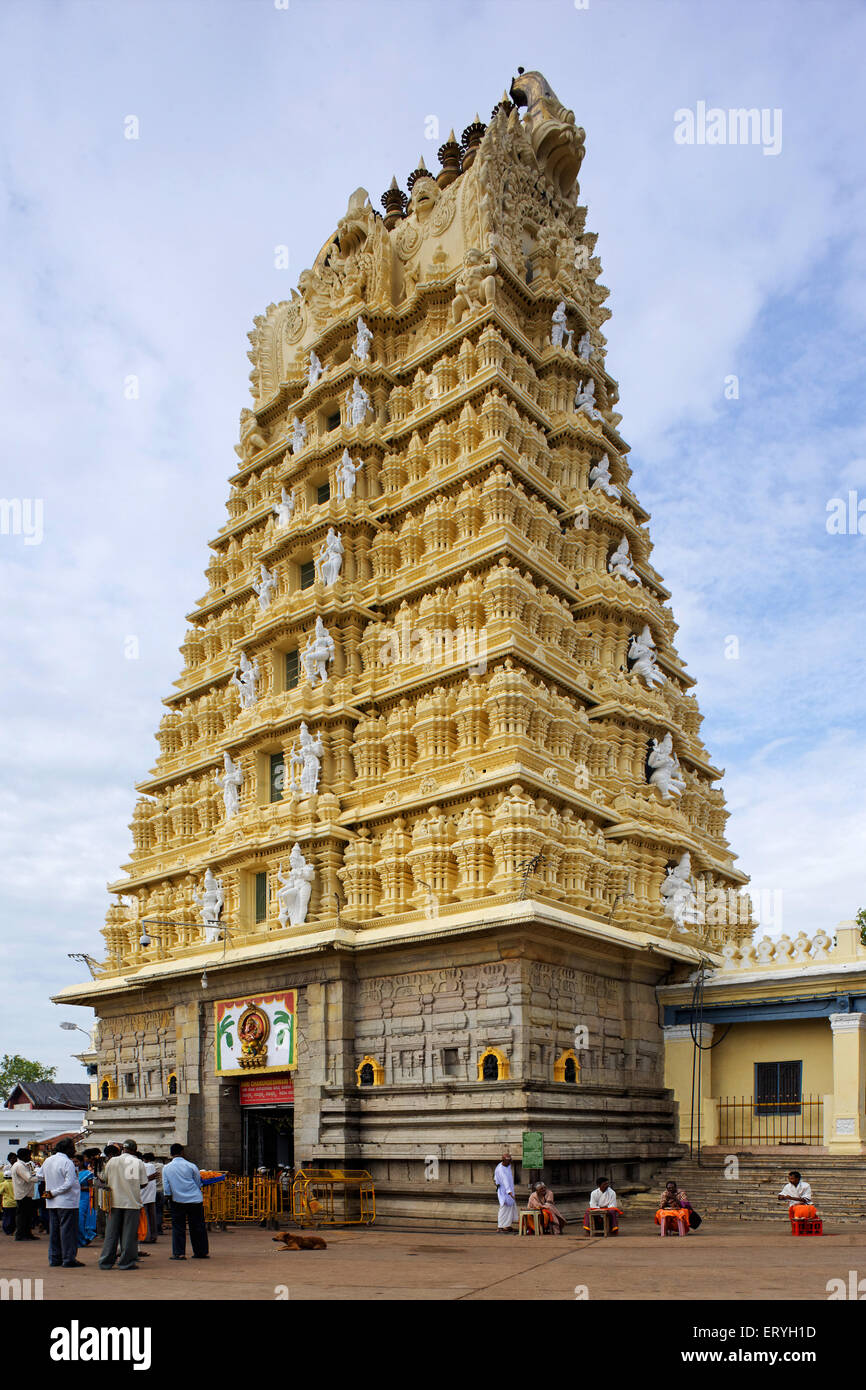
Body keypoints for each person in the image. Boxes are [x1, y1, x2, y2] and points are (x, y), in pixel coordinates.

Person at [97, 1142, 148, 1271]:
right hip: (131, 1203)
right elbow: (143, 1184)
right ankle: (126, 1262)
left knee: (111, 1234)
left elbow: (104, 1179)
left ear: (123, 1149)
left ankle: (106, 1262)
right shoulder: (138, 1163)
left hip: (114, 1202)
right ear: (135, 1150)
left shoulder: (112, 1161)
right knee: (129, 1235)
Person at [41, 1138, 84, 1268]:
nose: (74, 1151)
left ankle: (55, 1258)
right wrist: (54, 1191)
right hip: (67, 1201)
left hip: (53, 1202)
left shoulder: (48, 1160)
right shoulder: (67, 1162)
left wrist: (51, 1186)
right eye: (73, 1148)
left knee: (55, 1231)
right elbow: (69, 1183)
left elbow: (39, 1175)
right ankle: (68, 1258)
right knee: (68, 1231)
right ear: (67, 1149)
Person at [162, 1143, 209, 1260]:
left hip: (177, 1200)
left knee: (178, 1227)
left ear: (170, 1154)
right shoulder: (191, 1166)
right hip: (195, 1199)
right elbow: (198, 1182)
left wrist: (168, 1198)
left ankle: (179, 1253)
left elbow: (166, 1187)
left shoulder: (166, 1168)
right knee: (197, 1226)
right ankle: (201, 1252)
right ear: (182, 1152)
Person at [11, 1148, 39, 1241]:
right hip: (23, 1194)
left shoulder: (21, 1165)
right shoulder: (19, 1166)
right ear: (24, 1156)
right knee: (23, 1216)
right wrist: (40, 1177)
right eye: (29, 1156)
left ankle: (26, 1233)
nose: (30, 1158)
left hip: (24, 1194)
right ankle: (21, 1234)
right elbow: (29, 1178)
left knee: (27, 1215)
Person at [493, 1152, 518, 1233]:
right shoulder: (500, 1169)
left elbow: (495, 1178)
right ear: (503, 1160)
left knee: (509, 1208)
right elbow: (505, 1181)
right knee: (503, 1207)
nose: (510, 1162)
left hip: (509, 1190)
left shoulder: (507, 1166)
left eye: (510, 1160)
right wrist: (509, 1192)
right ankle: (500, 1226)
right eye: (508, 1161)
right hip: (504, 1191)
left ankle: (507, 1226)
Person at [75, 1155, 97, 1246]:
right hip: (75, 1197)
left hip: (84, 1198)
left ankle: (84, 1238)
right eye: (74, 1162)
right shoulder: (73, 1172)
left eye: (77, 1162)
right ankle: (79, 1240)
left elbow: (91, 1187)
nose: (75, 1164)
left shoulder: (87, 1173)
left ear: (81, 1162)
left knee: (81, 1219)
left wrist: (79, 1187)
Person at [141, 1152, 159, 1243]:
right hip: (151, 1195)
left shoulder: (144, 1166)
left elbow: (143, 1181)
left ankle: (146, 1237)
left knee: (145, 1217)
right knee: (152, 1216)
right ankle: (153, 1236)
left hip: (143, 1195)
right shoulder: (153, 1167)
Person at [0, 1166, 16, 1234]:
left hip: (6, 1203)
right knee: (13, 1217)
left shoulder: (3, 1184)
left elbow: (0, 1192)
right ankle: (12, 1229)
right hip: (15, 1203)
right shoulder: (14, 1183)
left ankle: (7, 1229)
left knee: (6, 1217)